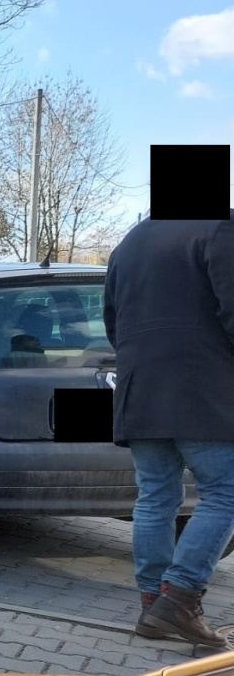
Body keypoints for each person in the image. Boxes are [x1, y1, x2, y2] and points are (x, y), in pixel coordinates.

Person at [105, 208, 234, 646]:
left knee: (156, 496)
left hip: (140, 390)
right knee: (226, 491)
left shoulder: (130, 241)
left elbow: (111, 319)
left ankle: (152, 604)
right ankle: (179, 597)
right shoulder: (219, 228)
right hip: (204, 390)